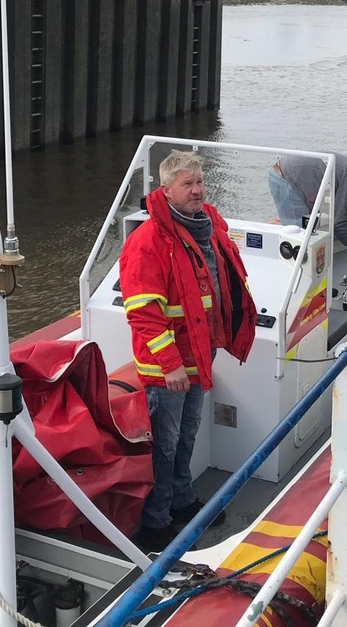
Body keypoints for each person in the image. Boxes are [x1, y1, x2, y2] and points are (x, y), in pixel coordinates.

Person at [119, 151, 257, 551]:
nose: (197, 190)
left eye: (199, 182)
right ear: (165, 190)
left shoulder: (208, 226)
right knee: (164, 441)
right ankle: (156, 521)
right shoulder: (148, 242)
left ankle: (182, 500)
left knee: (187, 434)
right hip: (168, 368)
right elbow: (144, 315)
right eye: (187, 184)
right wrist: (171, 364)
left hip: (200, 353)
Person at [269, 152, 347, 263]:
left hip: (295, 173)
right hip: (285, 178)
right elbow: (338, 222)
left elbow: (345, 213)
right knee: (297, 235)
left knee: (310, 227)